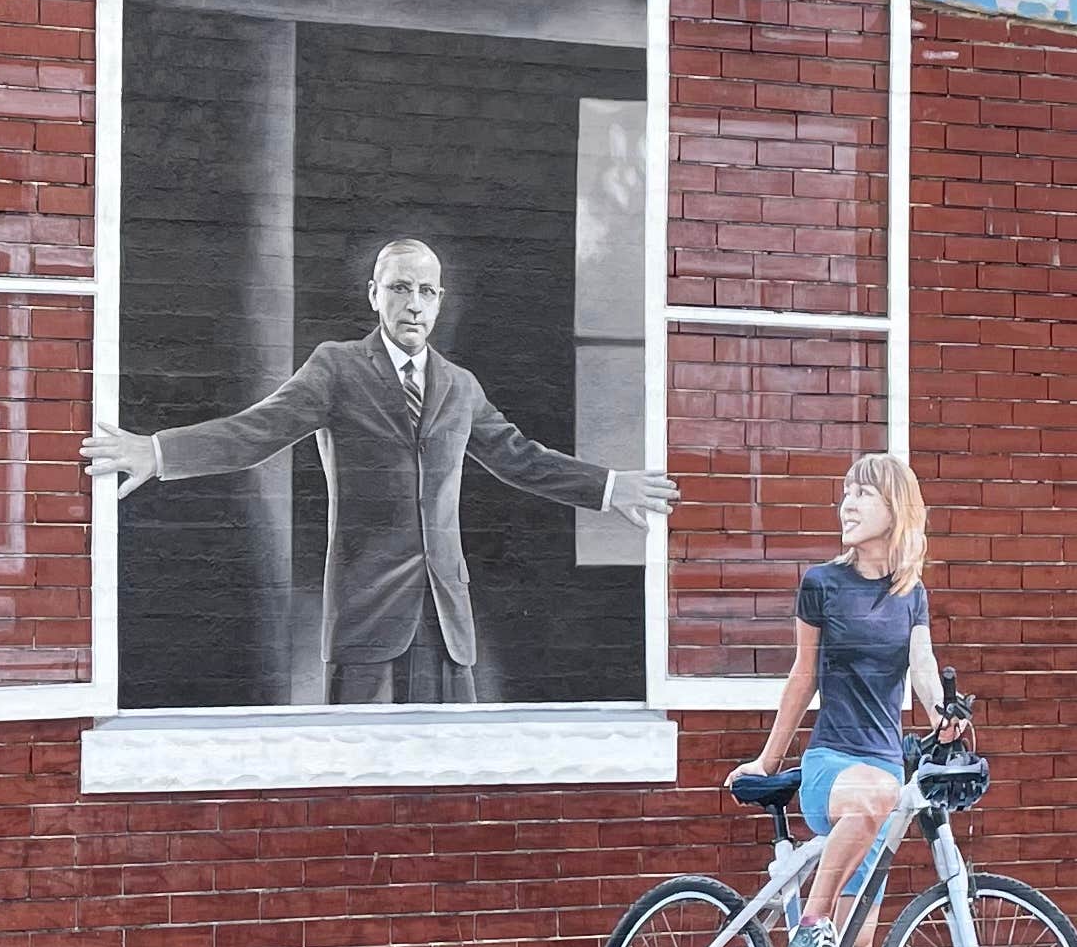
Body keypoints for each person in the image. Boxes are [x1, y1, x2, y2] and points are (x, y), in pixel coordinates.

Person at [84, 236, 678, 701]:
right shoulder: (336, 369)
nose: (413, 303)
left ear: (440, 301)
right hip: (366, 614)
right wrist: (155, 452)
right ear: (374, 294)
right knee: (356, 772)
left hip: (445, 616)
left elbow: (519, 457)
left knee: (453, 776)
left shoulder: (459, 386)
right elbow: (255, 431)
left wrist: (609, 486)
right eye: (399, 288)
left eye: (425, 290)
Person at [741, 455, 964, 947]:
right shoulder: (822, 583)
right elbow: (802, 675)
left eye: (863, 494)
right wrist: (767, 761)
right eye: (845, 493)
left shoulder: (910, 593)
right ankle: (809, 925)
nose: (848, 504)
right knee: (869, 802)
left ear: (897, 509)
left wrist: (944, 710)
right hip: (832, 769)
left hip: (883, 771)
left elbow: (921, 667)